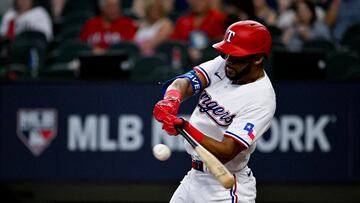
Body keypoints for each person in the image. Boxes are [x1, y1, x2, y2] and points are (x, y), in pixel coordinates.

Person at [153, 20, 276, 203]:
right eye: (226, 54)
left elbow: (227, 151)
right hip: (194, 177)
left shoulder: (261, 98)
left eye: (236, 56)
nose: (228, 61)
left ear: (257, 58)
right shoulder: (226, 63)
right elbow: (184, 82)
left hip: (225, 187)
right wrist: (171, 99)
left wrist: (185, 128)